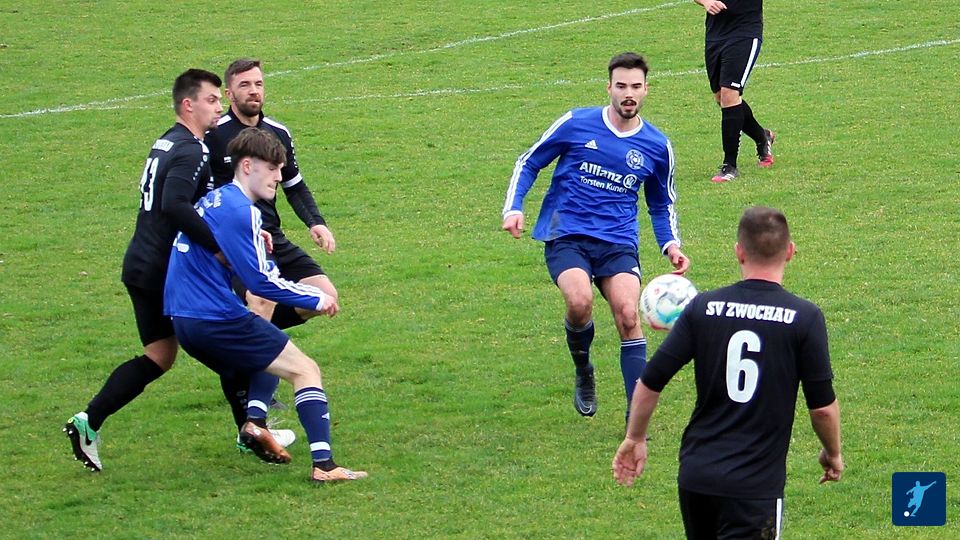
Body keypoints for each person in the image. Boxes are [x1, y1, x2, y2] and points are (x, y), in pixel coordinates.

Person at [61, 69, 290, 472]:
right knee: (233, 343)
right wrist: (220, 248)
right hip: (167, 271)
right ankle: (252, 431)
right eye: (211, 100)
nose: (219, 107)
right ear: (188, 105)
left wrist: (247, 231)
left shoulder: (166, 141)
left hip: (139, 264)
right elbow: (176, 205)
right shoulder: (192, 150)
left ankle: (88, 421)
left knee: (159, 356)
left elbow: (197, 203)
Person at [612, 206, 844, 539]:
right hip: (754, 488)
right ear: (790, 252)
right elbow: (821, 408)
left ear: (739, 252)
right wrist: (832, 452)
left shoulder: (703, 307)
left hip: (697, 478)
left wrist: (635, 437)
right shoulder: (804, 318)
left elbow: (651, 380)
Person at [165, 127, 366, 482]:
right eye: (272, 168)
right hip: (213, 316)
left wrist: (254, 241)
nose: (278, 177)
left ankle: (255, 422)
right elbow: (261, 282)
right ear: (247, 166)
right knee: (305, 370)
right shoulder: (243, 210)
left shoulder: (215, 200)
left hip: (184, 319)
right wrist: (316, 297)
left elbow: (217, 253)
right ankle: (324, 467)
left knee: (270, 344)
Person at [501, 52, 690, 420]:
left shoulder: (657, 145)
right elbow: (529, 161)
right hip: (567, 234)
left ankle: (635, 421)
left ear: (646, 90)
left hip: (618, 242)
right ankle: (584, 368)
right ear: (609, 88)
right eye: (621, 86)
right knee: (579, 302)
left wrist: (670, 244)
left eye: (635, 86)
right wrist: (514, 207)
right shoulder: (576, 123)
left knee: (628, 315)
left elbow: (660, 202)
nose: (628, 93)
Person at [204, 58, 339, 440]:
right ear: (229, 93)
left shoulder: (278, 132)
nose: (254, 91)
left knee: (323, 296)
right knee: (262, 301)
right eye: (245, 85)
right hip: (237, 238)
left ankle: (246, 340)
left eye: (258, 84)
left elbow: (294, 184)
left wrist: (315, 222)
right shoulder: (214, 136)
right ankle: (256, 403)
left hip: (273, 236)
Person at [694, 0, 776, 183]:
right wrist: (706, 2)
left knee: (730, 93)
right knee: (721, 97)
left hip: (745, 31)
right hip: (715, 33)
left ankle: (729, 165)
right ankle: (763, 137)